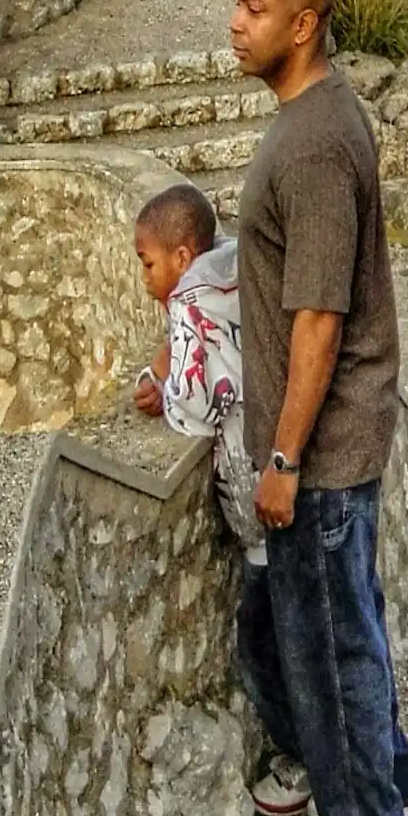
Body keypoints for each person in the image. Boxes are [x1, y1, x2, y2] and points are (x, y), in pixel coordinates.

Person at [228, 0, 408, 816]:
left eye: (256, 7)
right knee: (343, 625)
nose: (236, 20)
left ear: (304, 25)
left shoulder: (310, 144)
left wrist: (282, 458)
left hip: (324, 452)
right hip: (342, 440)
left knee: (334, 654)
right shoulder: (323, 115)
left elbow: (317, 317)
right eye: (239, 3)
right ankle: (396, 781)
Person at [132, 181, 258, 566]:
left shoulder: (188, 305)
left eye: (148, 262)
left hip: (250, 482)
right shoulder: (233, 274)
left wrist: (163, 388)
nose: (144, 277)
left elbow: (194, 408)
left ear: (183, 257)